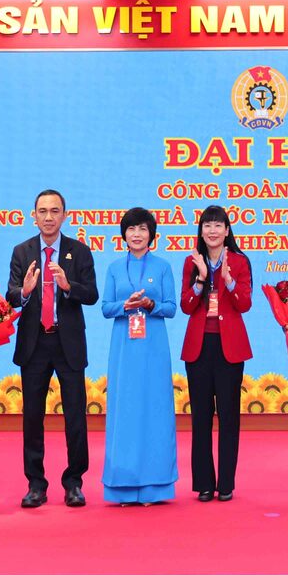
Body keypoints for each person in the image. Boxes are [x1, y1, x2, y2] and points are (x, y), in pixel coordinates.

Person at [7, 189, 98, 508]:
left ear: (64, 215)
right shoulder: (22, 251)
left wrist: (68, 286)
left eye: (55, 211)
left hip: (67, 341)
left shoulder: (79, 251)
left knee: (75, 416)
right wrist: (25, 292)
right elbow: (10, 295)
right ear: (34, 216)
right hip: (34, 343)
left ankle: (74, 482)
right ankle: (35, 484)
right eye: (43, 211)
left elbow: (92, 295)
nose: (48, 217)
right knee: (32, 416)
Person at [100, 208, 178, 505]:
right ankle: (122, 486)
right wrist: (126, 305)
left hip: (154, 348)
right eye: (131, 229)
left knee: (155, 410)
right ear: (124, 234)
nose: (136, 234)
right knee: (125, 411)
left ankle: (154, 487)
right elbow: (106, 308)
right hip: (124, 348)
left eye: (142, 229)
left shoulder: (163, 267)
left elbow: (171, 307)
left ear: (151, 234)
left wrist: (150, 304)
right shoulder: (114, 268)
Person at [180, 204, 253, 502]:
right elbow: (186, 306)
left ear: (227, 230)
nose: (212, 230)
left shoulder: (239, 261)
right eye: (207, 225)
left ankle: (226, 484)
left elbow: (244, 304)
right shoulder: (191, 262)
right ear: (201, 231)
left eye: (217, 225)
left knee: (228, 416)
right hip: (199, 348)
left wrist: (229, 280)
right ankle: (204, 484)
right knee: (200, 418)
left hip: (229, 348)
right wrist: (200, 279)